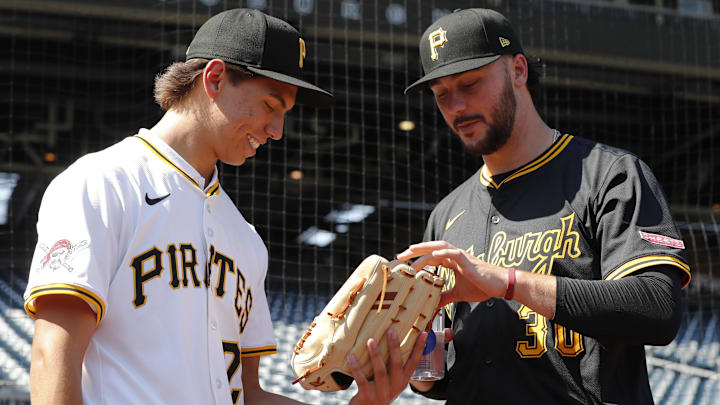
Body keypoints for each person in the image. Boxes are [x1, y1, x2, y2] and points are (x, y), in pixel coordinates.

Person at [24, 8, 424, 405]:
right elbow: (53, 354)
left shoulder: (244, 239)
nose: (277, 131)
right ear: (214, 78)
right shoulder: (102, 183)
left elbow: (246, 395)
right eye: (270, 104)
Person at [397, 8, 691, 405]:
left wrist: (508, 283)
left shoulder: (608, 174)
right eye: (441, 94)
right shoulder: (446, 215)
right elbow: (446, 376)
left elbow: (657, 308)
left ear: (518, 71)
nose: (457, 106)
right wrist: (418, 368)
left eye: (470, 83)